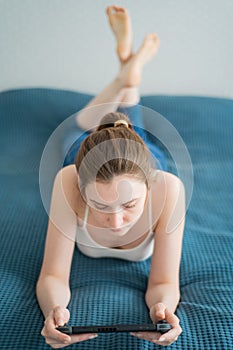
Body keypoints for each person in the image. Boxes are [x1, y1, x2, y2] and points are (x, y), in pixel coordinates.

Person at [36, 5, 184, 348]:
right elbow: (52, 275)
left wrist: (162, 310)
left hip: (144, 160)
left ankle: (125, 77)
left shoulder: (168, 189)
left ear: (150, 186)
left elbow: (164, 281)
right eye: (99, 204)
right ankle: (126, 76)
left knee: (118, 126)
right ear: (81, 190)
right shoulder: (68, 180)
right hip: (87, 157)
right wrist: (54, 309)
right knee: (82, 129)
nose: (116, 221)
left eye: (130, 205)